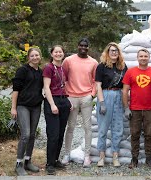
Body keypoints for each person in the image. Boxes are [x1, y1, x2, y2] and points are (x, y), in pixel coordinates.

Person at [61, 38, 98, 168]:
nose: (83, 47)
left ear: (88, 47)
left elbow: (96, 80)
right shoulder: (68, 60)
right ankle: (66, 154)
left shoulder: (93, 62)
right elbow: (63, 78)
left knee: (87, 128)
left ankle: (87, 156)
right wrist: (65, 94)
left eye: (85, 46)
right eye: (81, 45)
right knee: (70, 127)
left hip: (86, 98)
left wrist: (92, 95)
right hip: (71, 97)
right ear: (77, 46)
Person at [11, 47, 44, 176]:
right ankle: (18, 164)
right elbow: (15, 90)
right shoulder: (22, 70)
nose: (35, 57)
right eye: (32, 55)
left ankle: (28, 161)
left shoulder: (40, 72)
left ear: (40, 57)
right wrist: (13, 108)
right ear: (28, 57)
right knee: (25, 135)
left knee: (32, 135)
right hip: (23, 106)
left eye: (37, 55)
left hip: (36, 106)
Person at [122, 49, 151, 168]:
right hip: (135, 108)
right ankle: (134, 159)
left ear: (149, 57)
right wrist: (126, 107)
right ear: (137, 58)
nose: (143, 58)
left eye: (145, 56)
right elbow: (125, 90)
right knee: (135, 134)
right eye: (141, 56)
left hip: (150, 108)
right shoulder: (130, 72)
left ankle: (149, 159)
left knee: (149, 134)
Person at [95, 42, 127, 167]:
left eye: (116, 50)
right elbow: (98, 85)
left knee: (118, 128)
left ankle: (115, 156)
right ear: (107, 52)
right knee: (103, 128)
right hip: (105, 95)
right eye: (111, 50)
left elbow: (125, 87)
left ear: (119, 53)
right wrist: (102, 102)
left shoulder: (123, 67)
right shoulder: (101, 66)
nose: (114, 52)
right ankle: (101, 157)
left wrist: (126, 105)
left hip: (118, 96)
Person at [43, 45, 72, 175]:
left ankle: (55, 159)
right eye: (56, 52)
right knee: (53, 134)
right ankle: (49, 163)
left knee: (60, 133)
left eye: (60, 52)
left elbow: (63, 86)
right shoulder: (49, 68)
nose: (58, 54)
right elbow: (46, 87)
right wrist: (52, 104)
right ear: (51, 54)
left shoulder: (63, 68)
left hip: (63, 101)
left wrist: (67, 101)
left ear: (63, 54)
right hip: (52, 101)